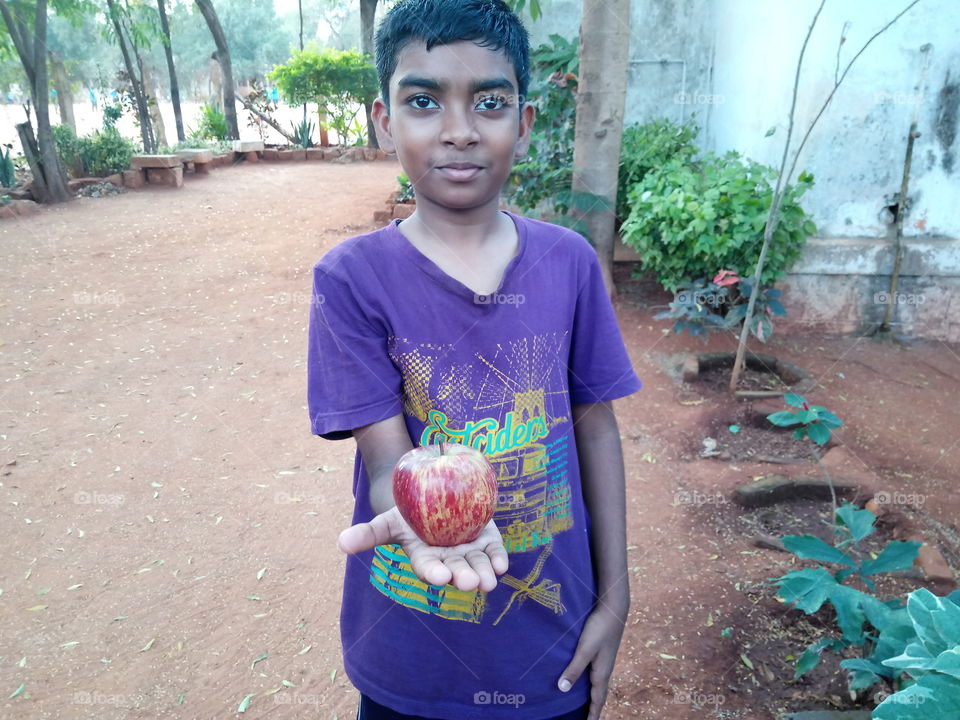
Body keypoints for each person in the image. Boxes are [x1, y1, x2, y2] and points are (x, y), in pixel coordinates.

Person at [306, 1, 642, 718]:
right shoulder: (351, 279)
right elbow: (382, 463)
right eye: (423, 101)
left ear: (522, 123)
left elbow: (596, 428)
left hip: (550, 647)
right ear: (383, 120)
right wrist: (415, 517)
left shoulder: (569, 264)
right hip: (409, 651)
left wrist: (614, 600)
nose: (458, 130)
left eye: (489, 102)